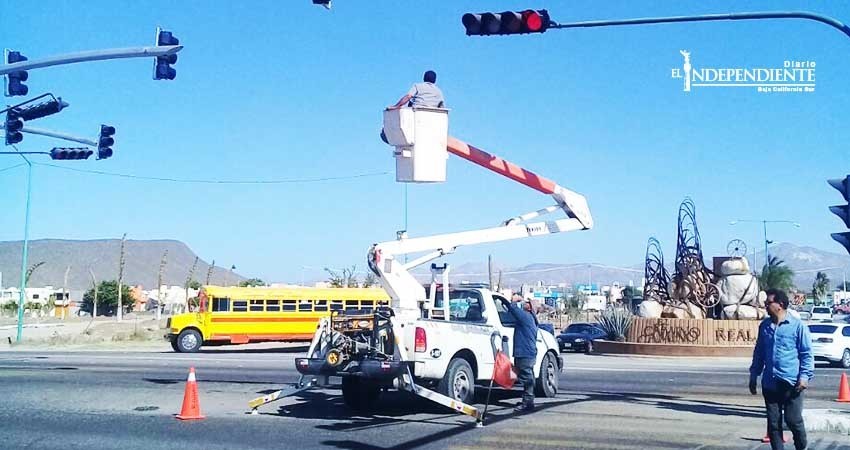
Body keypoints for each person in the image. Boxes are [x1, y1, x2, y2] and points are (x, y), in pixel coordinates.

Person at [749, 288, 813, 450]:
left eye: (768, 303)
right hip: (770, 382)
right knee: (773, 423)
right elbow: (759, 352)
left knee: (793, 420)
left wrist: (804, 377)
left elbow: (806, 354)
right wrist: (753, 375)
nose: (765, 306)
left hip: (792, 382)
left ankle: (801, 446)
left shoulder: (797, 327)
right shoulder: (764, 326)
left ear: (781, 305)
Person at [507, 293, 538, 412]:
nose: (525, 303)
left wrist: (514, 300)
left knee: (526, 378)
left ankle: (528, 403)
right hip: (527, 352)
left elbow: (513, 309)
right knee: (527, 377)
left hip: (525, 353)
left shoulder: (525, 317)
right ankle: (528, 401)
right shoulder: (530, 318)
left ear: (530, 308)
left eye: (527, 302)